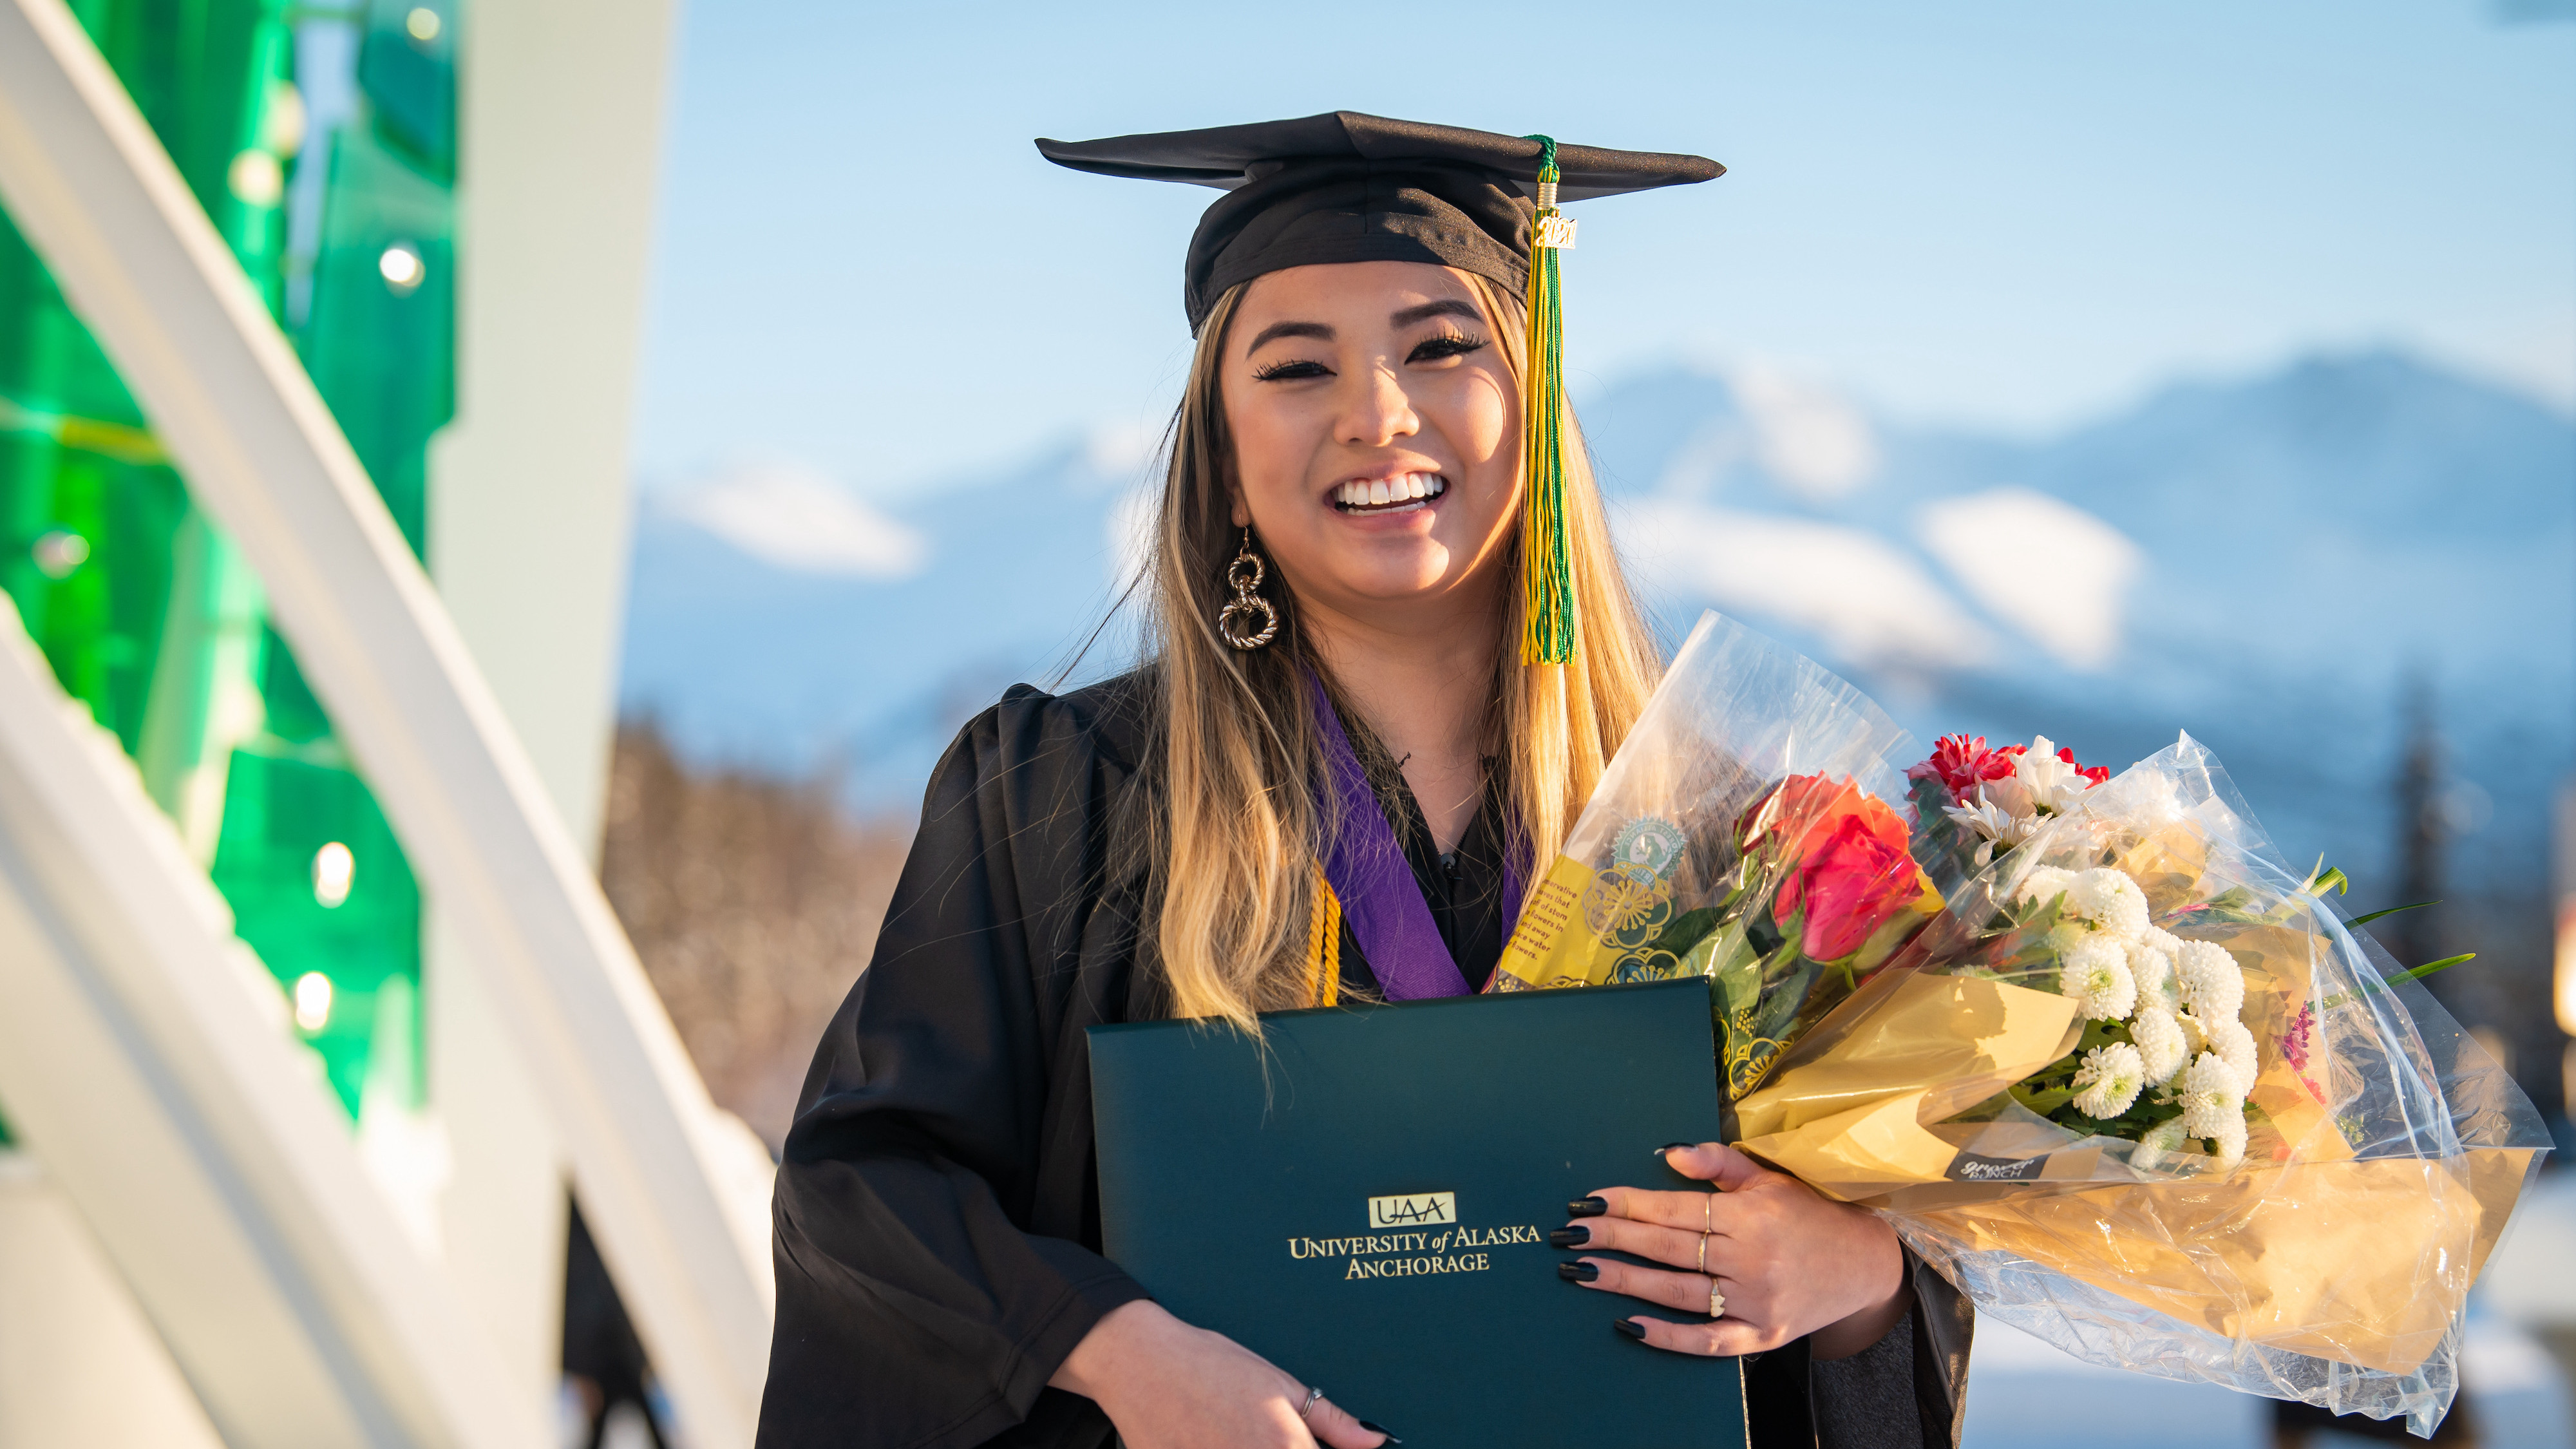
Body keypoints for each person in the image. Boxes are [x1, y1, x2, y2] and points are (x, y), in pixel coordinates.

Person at [756, 113, 1972, 1449]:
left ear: (1532, 404)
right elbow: (865, 1192)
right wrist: (1119, 1354)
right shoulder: (1063, 793)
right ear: (1220, 467)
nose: (1375, 414)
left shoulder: (1721, 842)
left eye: (1440, 347)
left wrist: (1853, 1282)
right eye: (1294, 367)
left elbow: (1873, 1316)